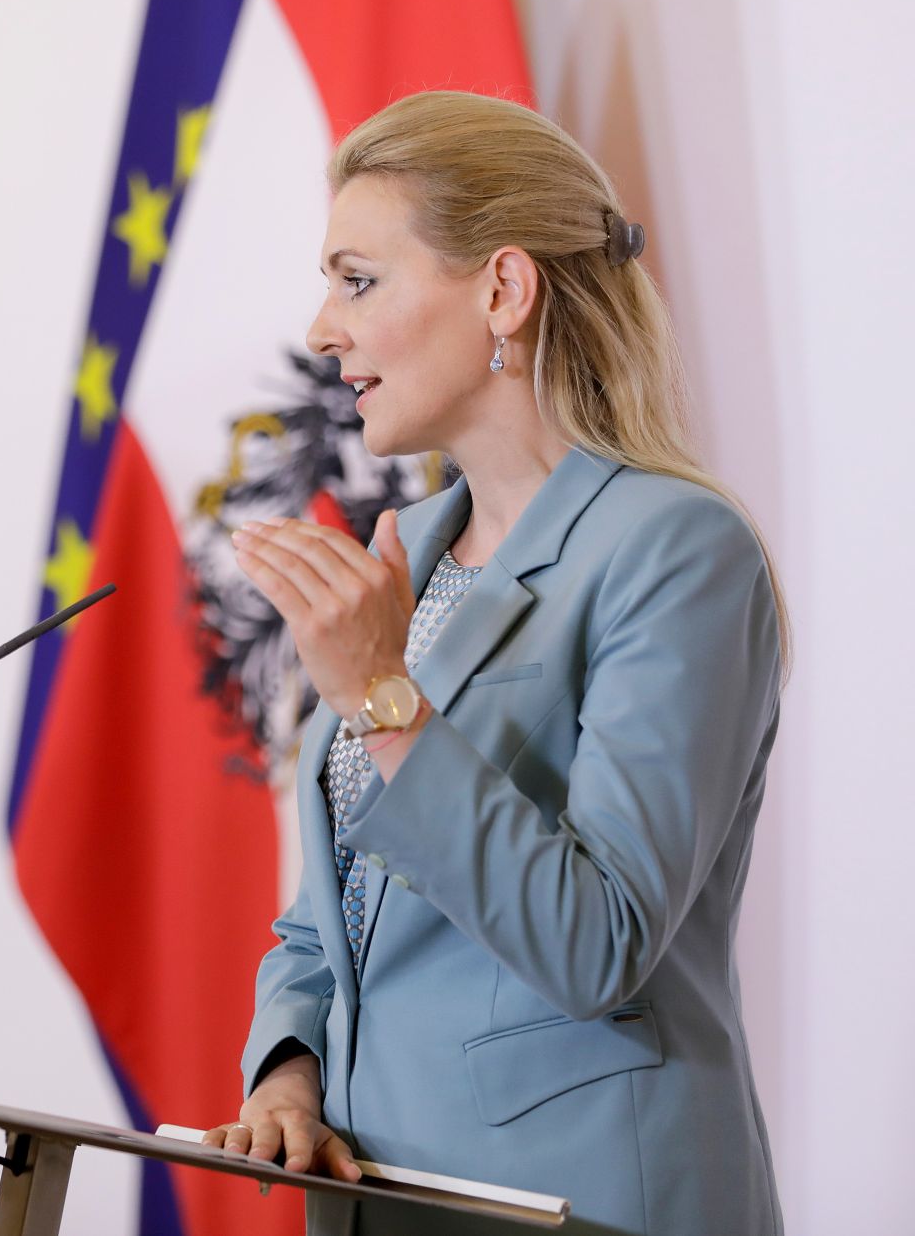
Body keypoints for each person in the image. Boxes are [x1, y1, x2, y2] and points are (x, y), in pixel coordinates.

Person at [204, 92, 787, 1236]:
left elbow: (596, 943)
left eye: (355, 280)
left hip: (586, 1201)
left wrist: (382, 699)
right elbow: (333, 914)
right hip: (380, 1197)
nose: (321, 329)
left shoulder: (675, 550)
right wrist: (287, 1069)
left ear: (502, 292)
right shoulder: (406, 551)